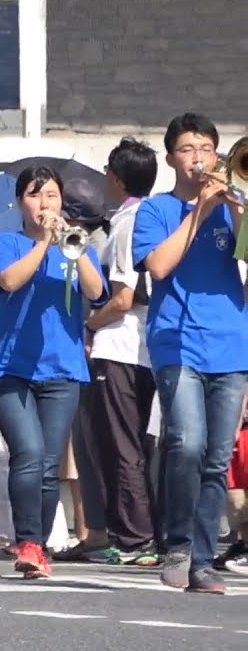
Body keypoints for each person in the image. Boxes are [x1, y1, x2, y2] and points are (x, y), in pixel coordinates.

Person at [133, 112, 248, 595]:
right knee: (187, 442)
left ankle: (202, 560)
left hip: (231, 342)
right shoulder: (156, 209)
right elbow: (158, 266)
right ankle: (176, 542)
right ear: (170, 158)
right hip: (177, 341)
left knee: (218, 458)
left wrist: (236, 206)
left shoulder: (232, 204)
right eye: (187, 149)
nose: (197, 158)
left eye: (205, 148)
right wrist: (199, 210)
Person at [0, 165, 106, 579]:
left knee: (49, 463)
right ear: (20, 202)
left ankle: (37, 550)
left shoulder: (75, 246)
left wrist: (73, 246)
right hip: (8, 368)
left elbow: (95, 292)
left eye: (51, 195)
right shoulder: (5, 243)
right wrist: (43, 246)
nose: (45, 204)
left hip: (62, 368)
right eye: (35, 196)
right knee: (29, 453)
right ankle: (28, 540)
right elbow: (10, 282)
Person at [84, 138, 162, 565]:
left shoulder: (128, 223)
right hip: (151, 347)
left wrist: (88, 325)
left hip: (120, 347)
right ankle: (142, 532)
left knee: (121, 444)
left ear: (115, 178)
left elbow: (122, 297)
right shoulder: (156, 215)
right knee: (139, 444)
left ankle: (134, 538)